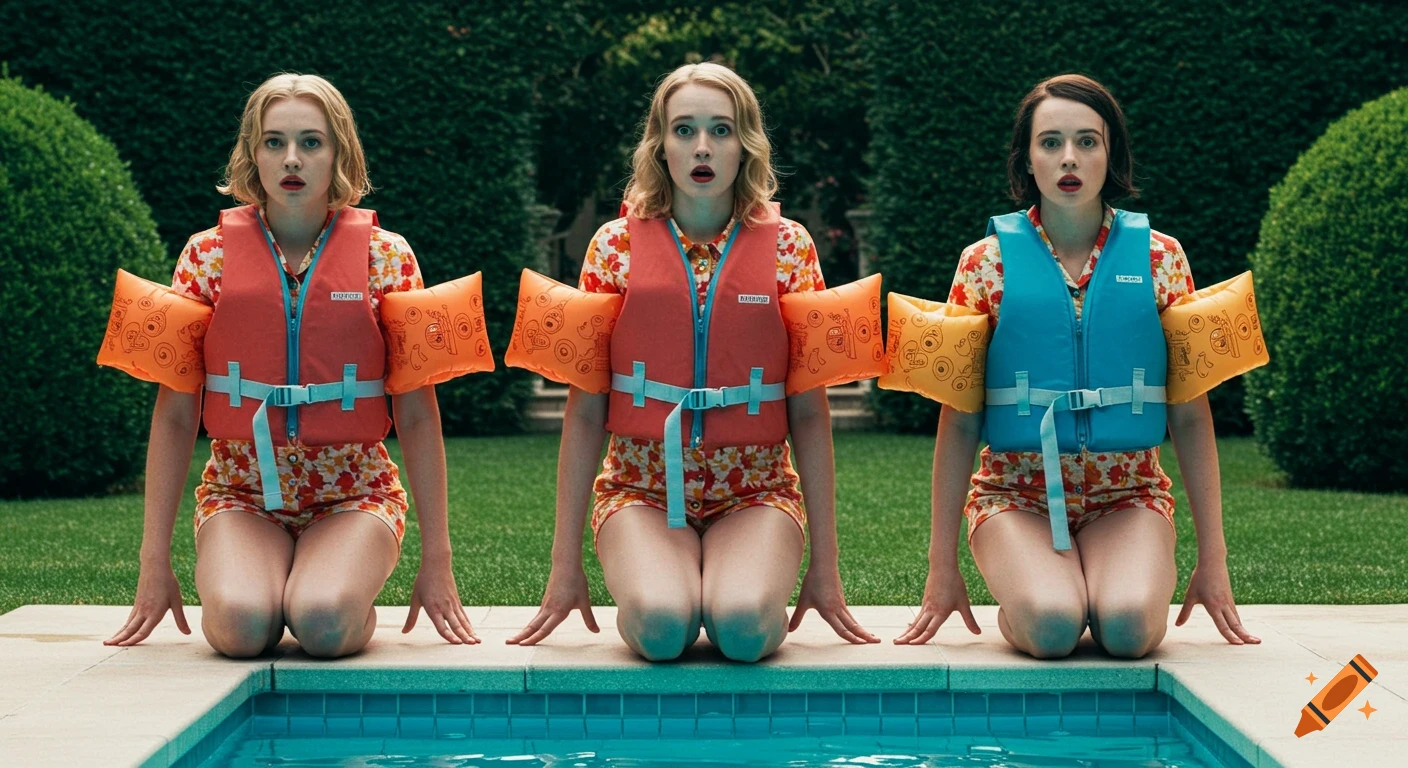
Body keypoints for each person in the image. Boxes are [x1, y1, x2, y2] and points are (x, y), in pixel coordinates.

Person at [509, 62, 877, 661]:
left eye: (721, 130)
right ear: (659, 146)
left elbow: (809, 414)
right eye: (683, 130)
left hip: (756, 492)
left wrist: (825, 567)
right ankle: (671, 585)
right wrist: (564, 565)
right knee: (659, 627)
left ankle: (729, 583)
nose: (702, 147)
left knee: (745, 628)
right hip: (640, 490)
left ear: (746, 145)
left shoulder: (790, 247)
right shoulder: (613, 247)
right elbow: (583, 413)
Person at [105, 73, 476, 657]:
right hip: (240, 491)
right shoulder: (207, 256)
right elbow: (177, 415)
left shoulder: (388, 257)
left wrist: (438, 561)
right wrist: (154, 564)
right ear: (252, 154)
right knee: (239, 628)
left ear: (339, 152)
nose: (292, 159)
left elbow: (419, 415)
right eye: (274, 142)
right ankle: (272, 584)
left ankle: (338, 594)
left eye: (311, 141)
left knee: (323, 623)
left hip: (355, 494)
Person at [895, 74, 1261, 658]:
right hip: (1015, 496)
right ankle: (1036, 597)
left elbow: (1190, 416)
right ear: (1027, 159)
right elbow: (959, 420)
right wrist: (942, 568)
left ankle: (1096, 583)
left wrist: (1213, 561)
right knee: (1051, 627)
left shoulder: (1163, 259)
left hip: (1129, 493)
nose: (1070, 158)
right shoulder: (983, 264)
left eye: (1088, 141)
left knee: (1129, 630)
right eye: (1051, 142)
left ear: (1110, 153)